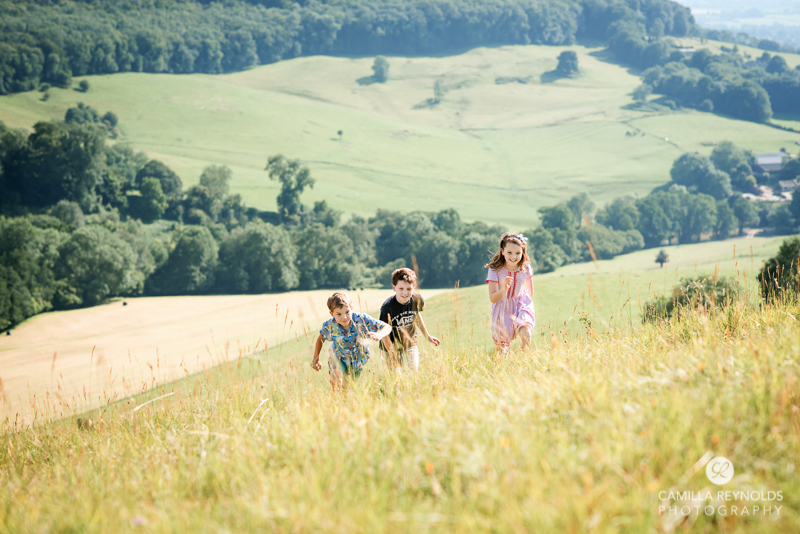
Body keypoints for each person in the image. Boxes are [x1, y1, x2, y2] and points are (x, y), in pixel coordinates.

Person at [311, 291, 394, 389]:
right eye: (339, 314)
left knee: (348, 388)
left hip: (357, 361)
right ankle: (336, 398)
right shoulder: (329, 325)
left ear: (351, 308)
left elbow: (387, 327)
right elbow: (321, 338)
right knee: (335, 378)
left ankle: (344, 397)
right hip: (338, 356)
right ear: (332, 314)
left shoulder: (362, 319)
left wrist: (379, 335)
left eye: (347, 312)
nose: (344, 317)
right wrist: (316, 359)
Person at [379, 268, 440, 371]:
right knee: (394, 376)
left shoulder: (417, 300)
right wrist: (392, 354)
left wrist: (427, 336)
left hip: (409, 344)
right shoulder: (387, 307)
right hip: (389, 347)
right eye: (401, 288)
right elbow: (384, 334)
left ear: (414, 288)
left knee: (412, 372)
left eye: (408, 289)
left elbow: (416, 316)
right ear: (394, 288)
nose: (405, 293)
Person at [486, 233, 535, 353]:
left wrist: (522, 303)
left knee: (526, 331)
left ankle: (525, 359)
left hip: (521, 303)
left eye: (518, 253)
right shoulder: (495, 269)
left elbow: (530, 291)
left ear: (523, 252)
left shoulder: (525, 267)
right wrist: (504, 289)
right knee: (501, 349)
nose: (514, 256)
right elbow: (493, 298)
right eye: (509, 252)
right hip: (502, 308)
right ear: (502, 251)